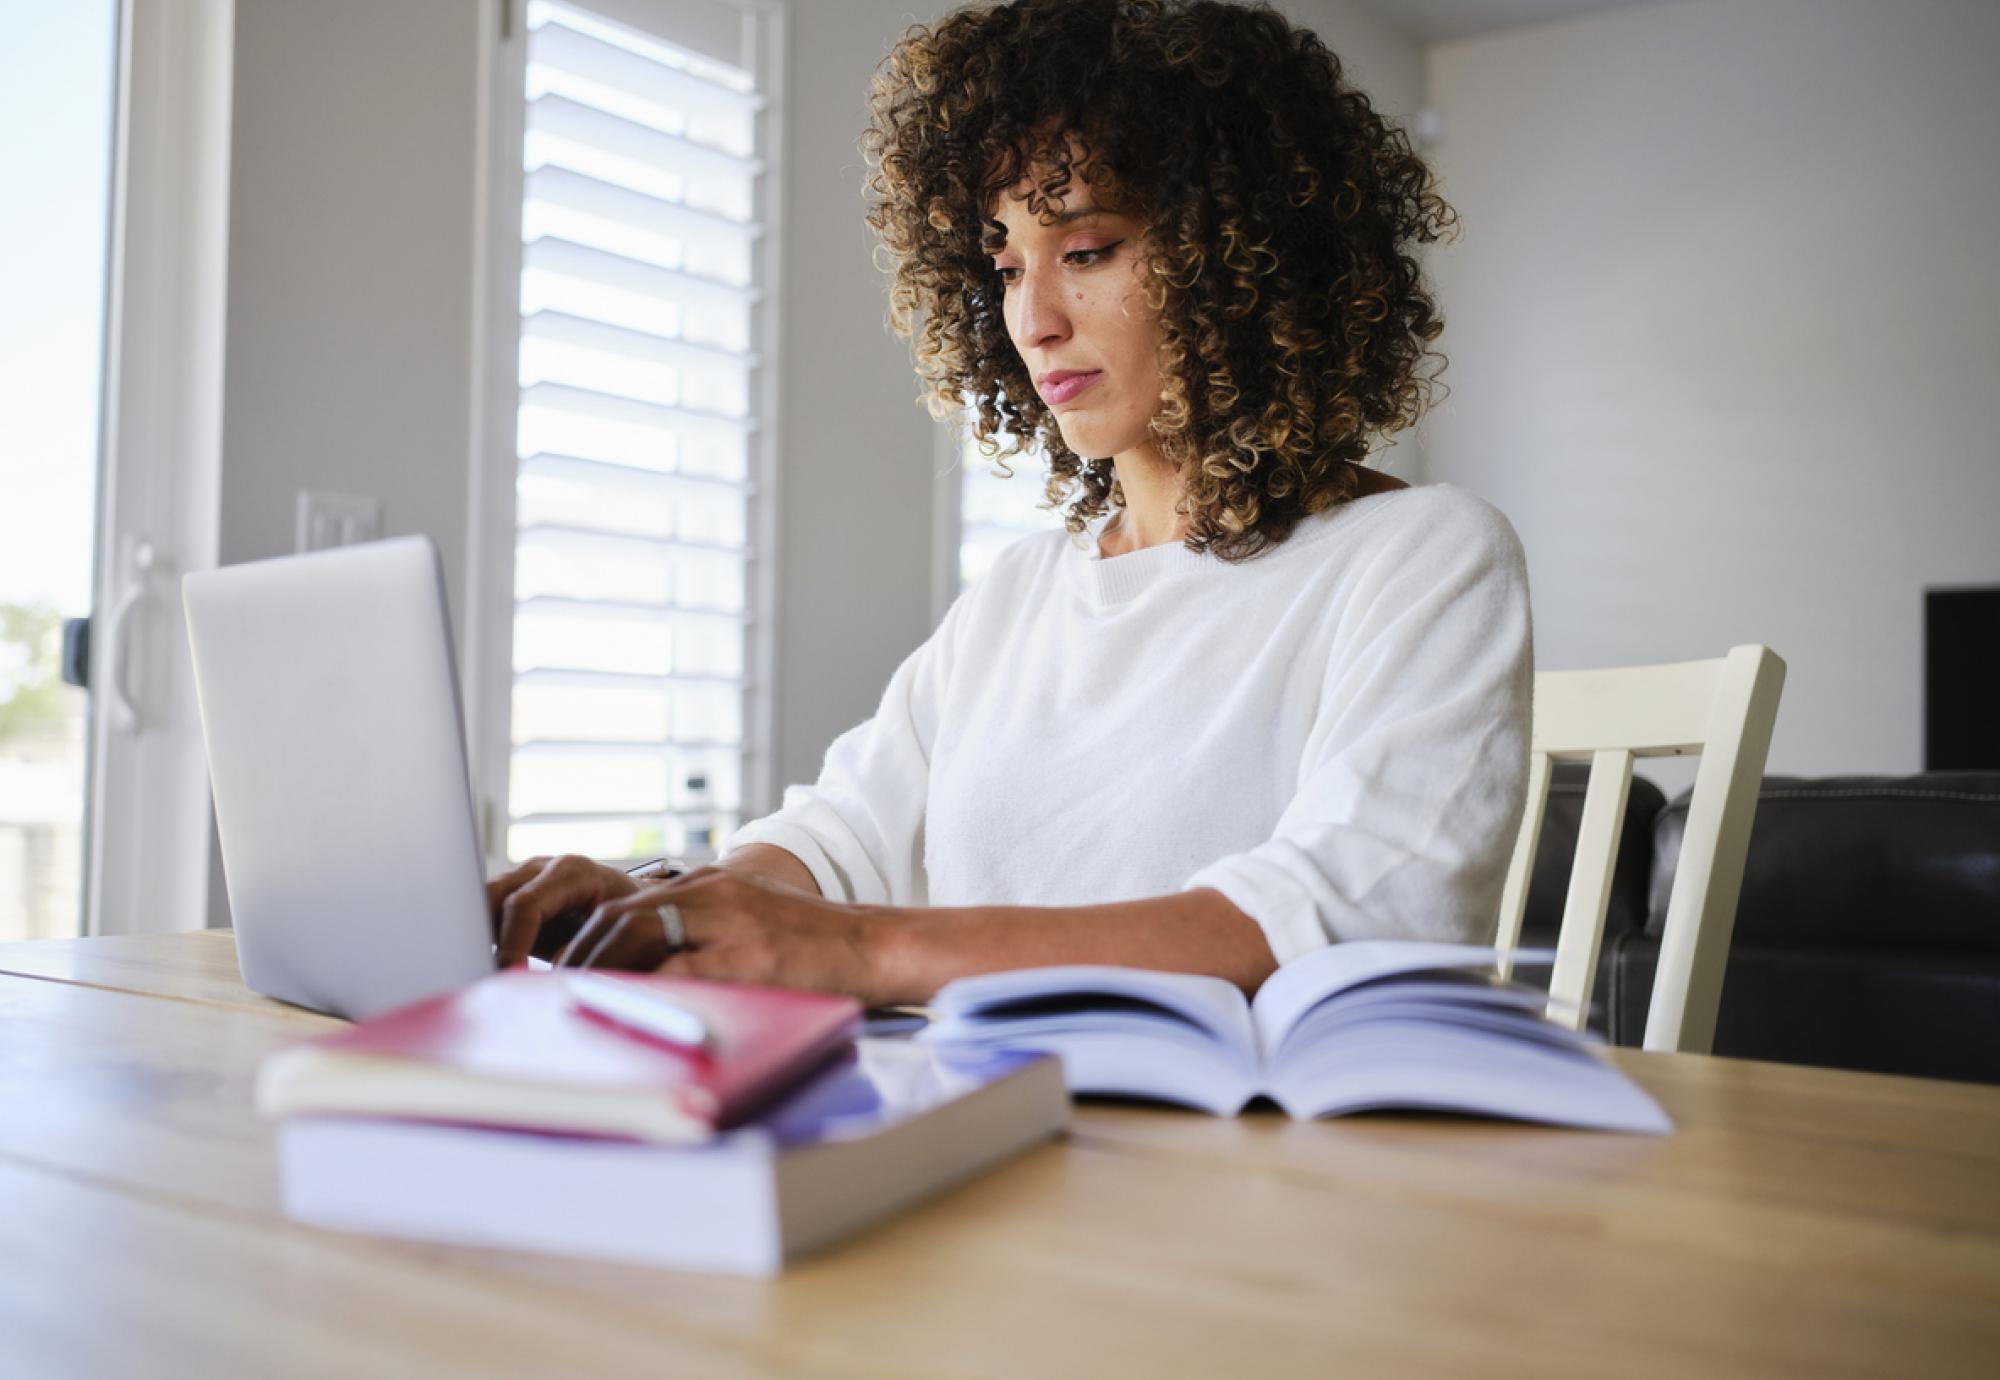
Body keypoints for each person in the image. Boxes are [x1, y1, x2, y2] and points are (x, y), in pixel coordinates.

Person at [489, 0, 1531, 1006]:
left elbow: (1356, 906)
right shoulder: (1021, 594)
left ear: (1247, 259)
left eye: (1084, 251)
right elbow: (841, 837)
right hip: (991, 1127)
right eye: (1002, 263)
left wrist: (863, 950)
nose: (1030, 319)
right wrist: (662, 908)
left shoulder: (1420, 556)